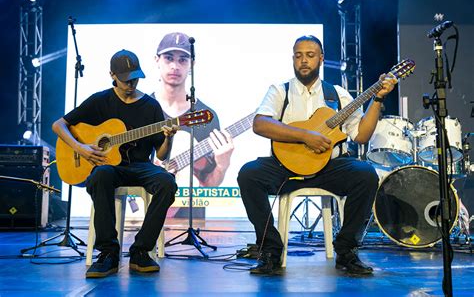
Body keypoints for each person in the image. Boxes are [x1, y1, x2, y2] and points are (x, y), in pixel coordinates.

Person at [237, 35, 397, 276]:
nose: (304, 61)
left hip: (330, 168)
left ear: (321, 59)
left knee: (365, 175)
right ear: (293, 58)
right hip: (286, 168)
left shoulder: (338, 95)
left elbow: (361, 135)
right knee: (248, 175)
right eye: (298, 55)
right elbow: (260, 124)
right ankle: (270, 250)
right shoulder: (281, 91)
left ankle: (346, 251)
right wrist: (304, 136)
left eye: (310, 56)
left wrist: (378, 98)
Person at [52, 50, 178, 278]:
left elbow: (162, 154)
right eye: (125, 78)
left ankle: (140, 251)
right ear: (112, 75)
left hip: (140, 166)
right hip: (109, 167)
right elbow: (59, 125)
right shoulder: (100, 100)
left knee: (167, 182)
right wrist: (81, 147)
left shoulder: (151, 106)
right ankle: (108, 253)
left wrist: (169, 137)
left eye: (135, 78)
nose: (131, 83)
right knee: (101, 175)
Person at [152, 32, 234, 215]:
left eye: (182, 60)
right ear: (156, 60)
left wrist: (223, 165)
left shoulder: (206, 116)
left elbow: (208, 184)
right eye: (168, 58)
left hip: (190, 223)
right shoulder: (141, 110)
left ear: (192, 65)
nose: (175, 66)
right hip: (140, 218)